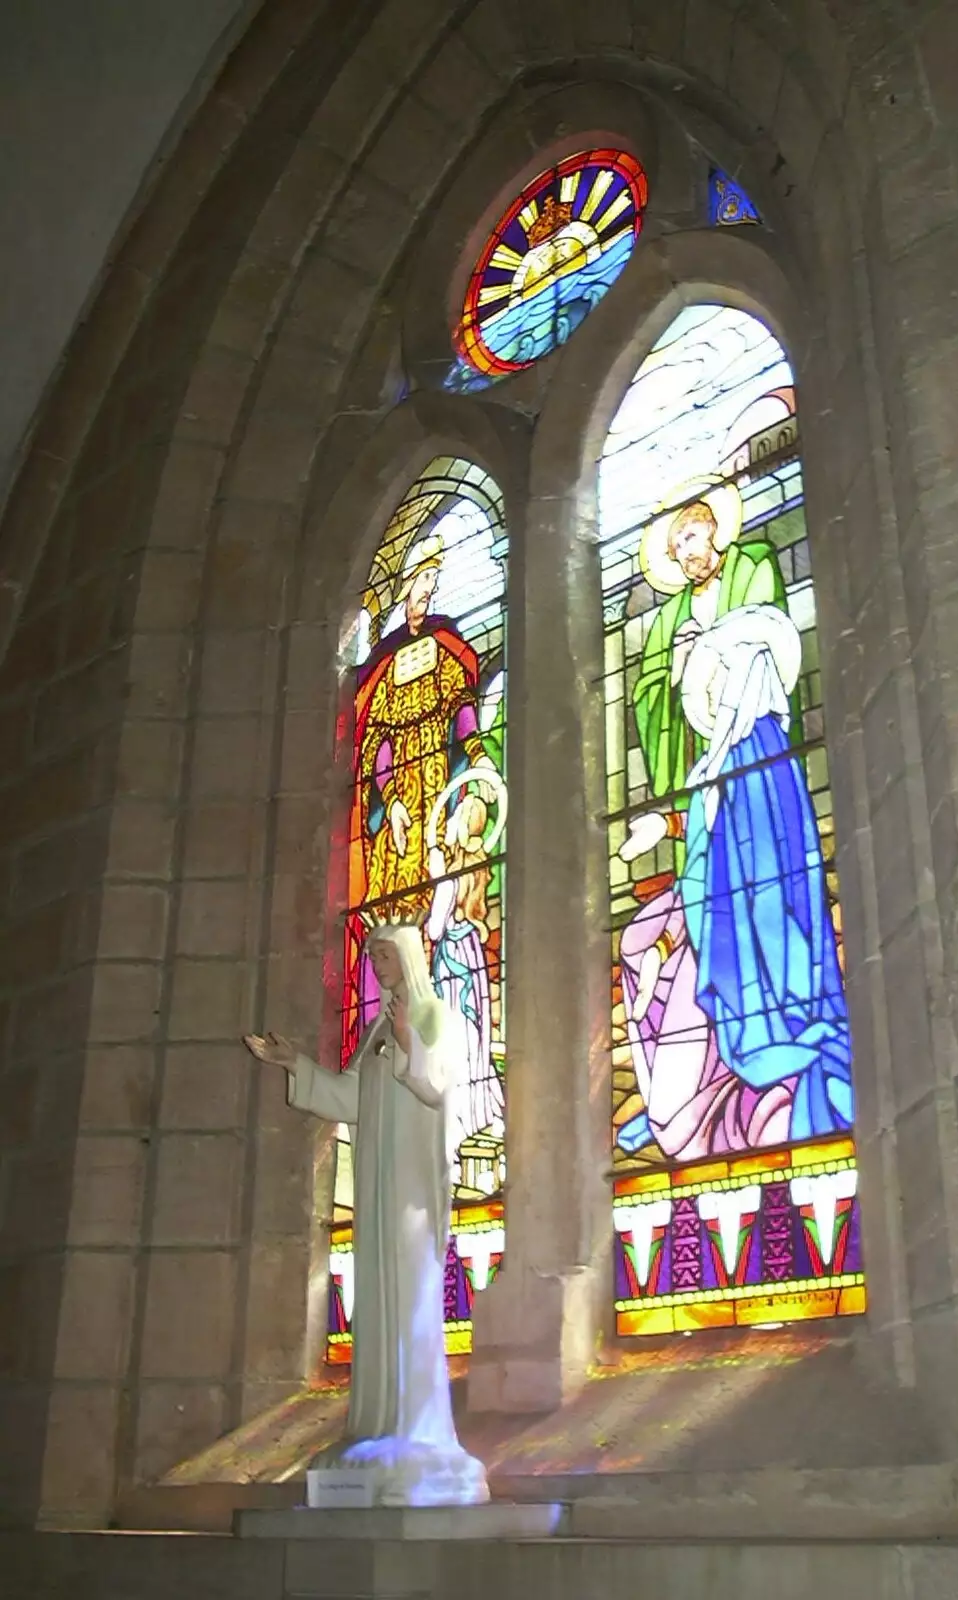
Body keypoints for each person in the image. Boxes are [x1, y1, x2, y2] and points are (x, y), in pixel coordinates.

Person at [243, 923, 489, 1508]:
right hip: (378, 1189)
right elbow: (351, 1099)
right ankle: (375, 1427)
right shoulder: (378, 1026)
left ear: (408, 956)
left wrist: (409, 1039)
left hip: (412, 1190)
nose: (378, 965)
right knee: (377, 1305)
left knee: (409, 1302)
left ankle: (417, 1431)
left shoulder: (438, 1019)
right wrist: (294, 1063)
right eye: (371, 956)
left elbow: (435, 1085)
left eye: (385, 954)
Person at [617, 478, 801, 1159]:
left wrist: (712, 648)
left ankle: (763, 1067)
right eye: (675, 546)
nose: (685, 552)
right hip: (703, 767)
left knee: (751, 921)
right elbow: (650, 692)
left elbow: (762, 635)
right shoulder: (670, 617)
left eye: (690, 537)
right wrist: (676, 663)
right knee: (698, 922)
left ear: (713, 533)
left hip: (744, 757)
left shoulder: (751, 566)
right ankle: (701, 1085)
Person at [675, 602, 853, 1140]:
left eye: (730, 677)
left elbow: (780, 849)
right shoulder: (735, 757)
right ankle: (757, 1026)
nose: (723, 693)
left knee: (775, 936)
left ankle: (784, 1024)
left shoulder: (766, 751)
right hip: (738, 888)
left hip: (771, 893)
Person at [345, 534, 496, 1053]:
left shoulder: (446, 649)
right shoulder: (384, 670)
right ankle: (387, 1025)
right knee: (394, 909)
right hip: (401, 813)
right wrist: (393, 802)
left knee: (437, 899)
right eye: (423, 580)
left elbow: (463, 716)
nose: (428, 591)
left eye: (434, 581)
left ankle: (429, 1029)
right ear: (408, 586)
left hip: (439, 790)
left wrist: (477, 758)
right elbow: (376, 750)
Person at [426, 795, 504, 1175]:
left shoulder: (451, 870)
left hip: (451, 959)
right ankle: (475, 1115)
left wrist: (436, 871)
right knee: (473, 1042)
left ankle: (455, 1124)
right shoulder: (480, 865)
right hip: (470, 955)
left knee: (451, 1040)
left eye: (457, 816)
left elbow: (435, 926)